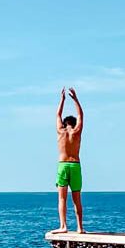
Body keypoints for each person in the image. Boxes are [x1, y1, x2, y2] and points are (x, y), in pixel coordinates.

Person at [52, 87, 84, 233]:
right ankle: (80, 228)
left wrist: (62, 99)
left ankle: (63, 226)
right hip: (75, 165)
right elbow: (80, 114)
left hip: (63, 165)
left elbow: (57, 114)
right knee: (77, 198)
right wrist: (75, 99)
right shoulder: (77, 132)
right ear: (74, 123)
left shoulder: (60, 131)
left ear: (65, 123)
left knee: (62, 198)